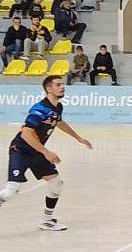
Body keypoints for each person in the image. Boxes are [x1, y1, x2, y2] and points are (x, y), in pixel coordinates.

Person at [0, 76, 93, 231]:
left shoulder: (58, 107)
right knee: (11, 191)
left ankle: (46, 220)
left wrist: (78, 138)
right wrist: (46, 152)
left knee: (56, 184)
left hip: (36, 152)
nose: (62, 87)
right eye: (58, 85)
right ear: (49, 89)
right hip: (21, 151)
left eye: (62, 84)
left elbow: (59, 122)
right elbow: (26, 133)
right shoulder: (39, 109)